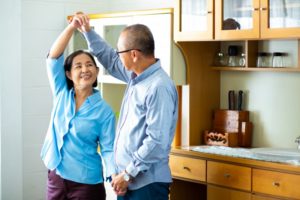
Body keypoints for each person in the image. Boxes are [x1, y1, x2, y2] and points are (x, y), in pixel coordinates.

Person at [76, 12, 179, 200]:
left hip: (146, 184)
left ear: (134, 54)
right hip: (128, 181)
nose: (117, 56)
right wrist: (88, 32)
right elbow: (110, 58)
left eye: (120, 51)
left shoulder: (159, 87)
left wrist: (127, 173)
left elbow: (156, 141)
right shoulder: (135, 77)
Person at [40, 14, 117, 200]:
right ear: (68, 74)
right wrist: (72, 27)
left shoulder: (104, 111)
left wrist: (114, 174)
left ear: (97, 72)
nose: (85, 70)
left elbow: (108, 148)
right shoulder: (61, 94)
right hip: (56, 176)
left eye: (90, 65)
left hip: (87, 182)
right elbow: (53, 58)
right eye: (78, 66)